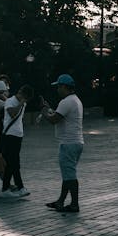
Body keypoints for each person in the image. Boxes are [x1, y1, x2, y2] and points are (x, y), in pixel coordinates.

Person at [38, 74, 84, 213]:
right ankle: (61, 201)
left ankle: (74, 204)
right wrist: (48, 110)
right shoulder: (75, 100)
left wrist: (44, 110)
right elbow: (59, 116)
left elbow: (54, 120)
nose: (57, 89)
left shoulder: (67, 102)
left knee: (70, 175)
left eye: (59, 86)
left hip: (68, 143)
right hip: (76, 142)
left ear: (65, 87)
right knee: (68, 174)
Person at [0, 85, 34, 198]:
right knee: (14, 162)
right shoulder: (10, 101)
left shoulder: (23, 103)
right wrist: (20, 104)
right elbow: (12, 114)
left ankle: (6, 188)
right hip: (9, 135)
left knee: (11, 163)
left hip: (18, 134)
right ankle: (20, 187)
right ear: (21, 93)